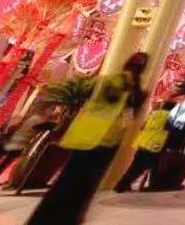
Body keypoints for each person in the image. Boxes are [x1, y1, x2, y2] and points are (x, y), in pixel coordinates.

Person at [27, 52, 149, 225]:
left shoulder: (109, 81)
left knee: (69, 180)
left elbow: (83, 91)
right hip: (108, 140)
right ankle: (70, 217)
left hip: (88, 136)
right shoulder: (135, 90)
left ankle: (49, 218)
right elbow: (131, 116)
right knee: (86, 184)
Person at [114, 100, 176, 192]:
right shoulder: (169, 116)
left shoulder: (153, 114)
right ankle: (152, 186)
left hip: (143, 142)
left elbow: (143, 126)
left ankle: (121, 185)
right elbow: (170, 129)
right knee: (147, 167)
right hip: (154, 145)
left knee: (136, 166)